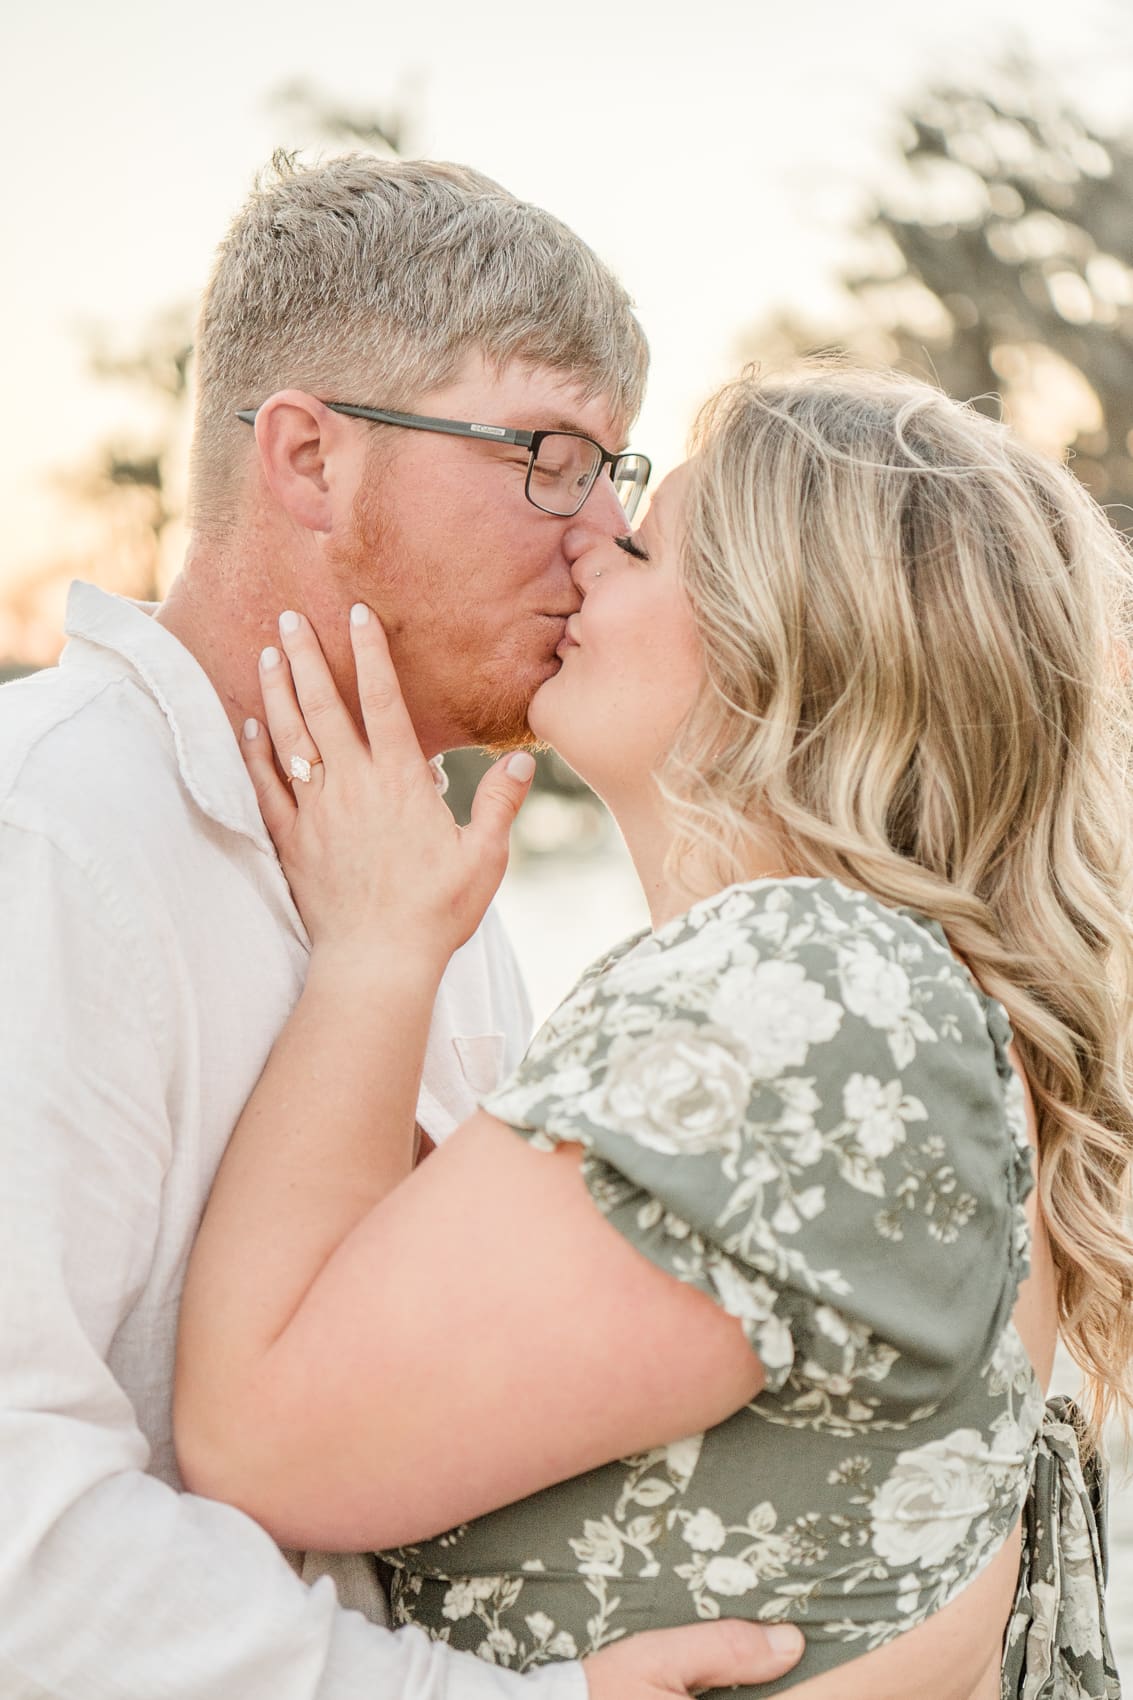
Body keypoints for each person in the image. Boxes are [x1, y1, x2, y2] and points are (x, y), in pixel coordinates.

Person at [175, 364, 1132, 1699]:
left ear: (782, 640)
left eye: (635, 545)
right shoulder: (907, 1014)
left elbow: (257, 1436)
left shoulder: (817, 990)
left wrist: (376, 951)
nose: (579, 551)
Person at [0, 154, 808, 1700]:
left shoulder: (425, 874)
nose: (593, 540)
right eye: (548, 456)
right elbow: (17, 1549)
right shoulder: (45, 845)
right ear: (308, 459)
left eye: (614, 478)